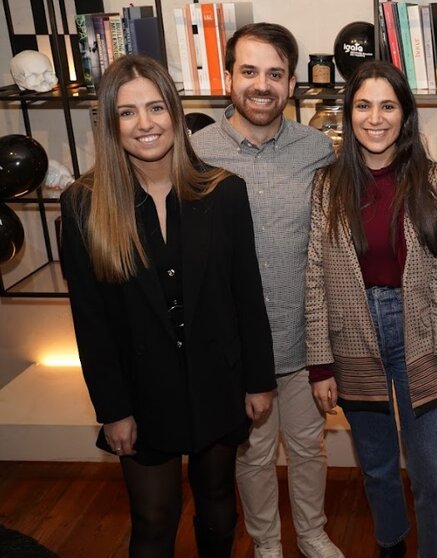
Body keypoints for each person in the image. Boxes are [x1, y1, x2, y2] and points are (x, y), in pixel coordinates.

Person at [59, 55, 276, 557]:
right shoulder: (82, 204)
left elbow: (248, 294)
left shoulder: (224, 192)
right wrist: (113, 411)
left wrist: (258, 381)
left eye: (156, 107)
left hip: (217, 382)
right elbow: (90, 322)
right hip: (141, 394)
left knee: (220, 506)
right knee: (154, 522)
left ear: (176, 114)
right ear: (110, 124)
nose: (146, 124)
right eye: (128, 112)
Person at [190, 23, 342, 558]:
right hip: (232, 350)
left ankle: (313, 533)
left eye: (275, 73)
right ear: (228, 77)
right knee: (251, 456)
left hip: (303, 340)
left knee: (308, 447)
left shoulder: (318, 149)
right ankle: (267, 543)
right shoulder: (194, 154)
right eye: (249, 71)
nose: (262, 84)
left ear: (293, 83)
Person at [304, 60, 437, 558]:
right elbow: (316, 278)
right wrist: (319, 363)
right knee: (375, 466)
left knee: (433, 470)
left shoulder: (434, 180)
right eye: (363, 105)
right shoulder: (327, 185)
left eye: (388, 105)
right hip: (352, 336)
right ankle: (391, 545)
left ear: (405, 114)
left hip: (419, 335)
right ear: (349, 114)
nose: (376, 118)